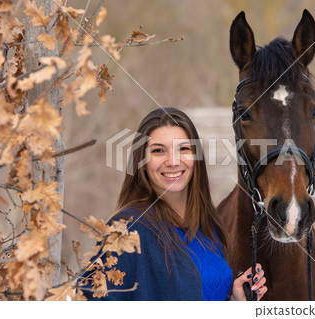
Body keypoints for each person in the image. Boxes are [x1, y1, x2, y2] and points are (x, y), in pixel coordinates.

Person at [83, 107, 267, 301]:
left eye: (184, 149)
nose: (172, 161)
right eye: (158, 151)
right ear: (142, 161)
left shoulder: (208, 226)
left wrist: (234, 303)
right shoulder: (128, 229)